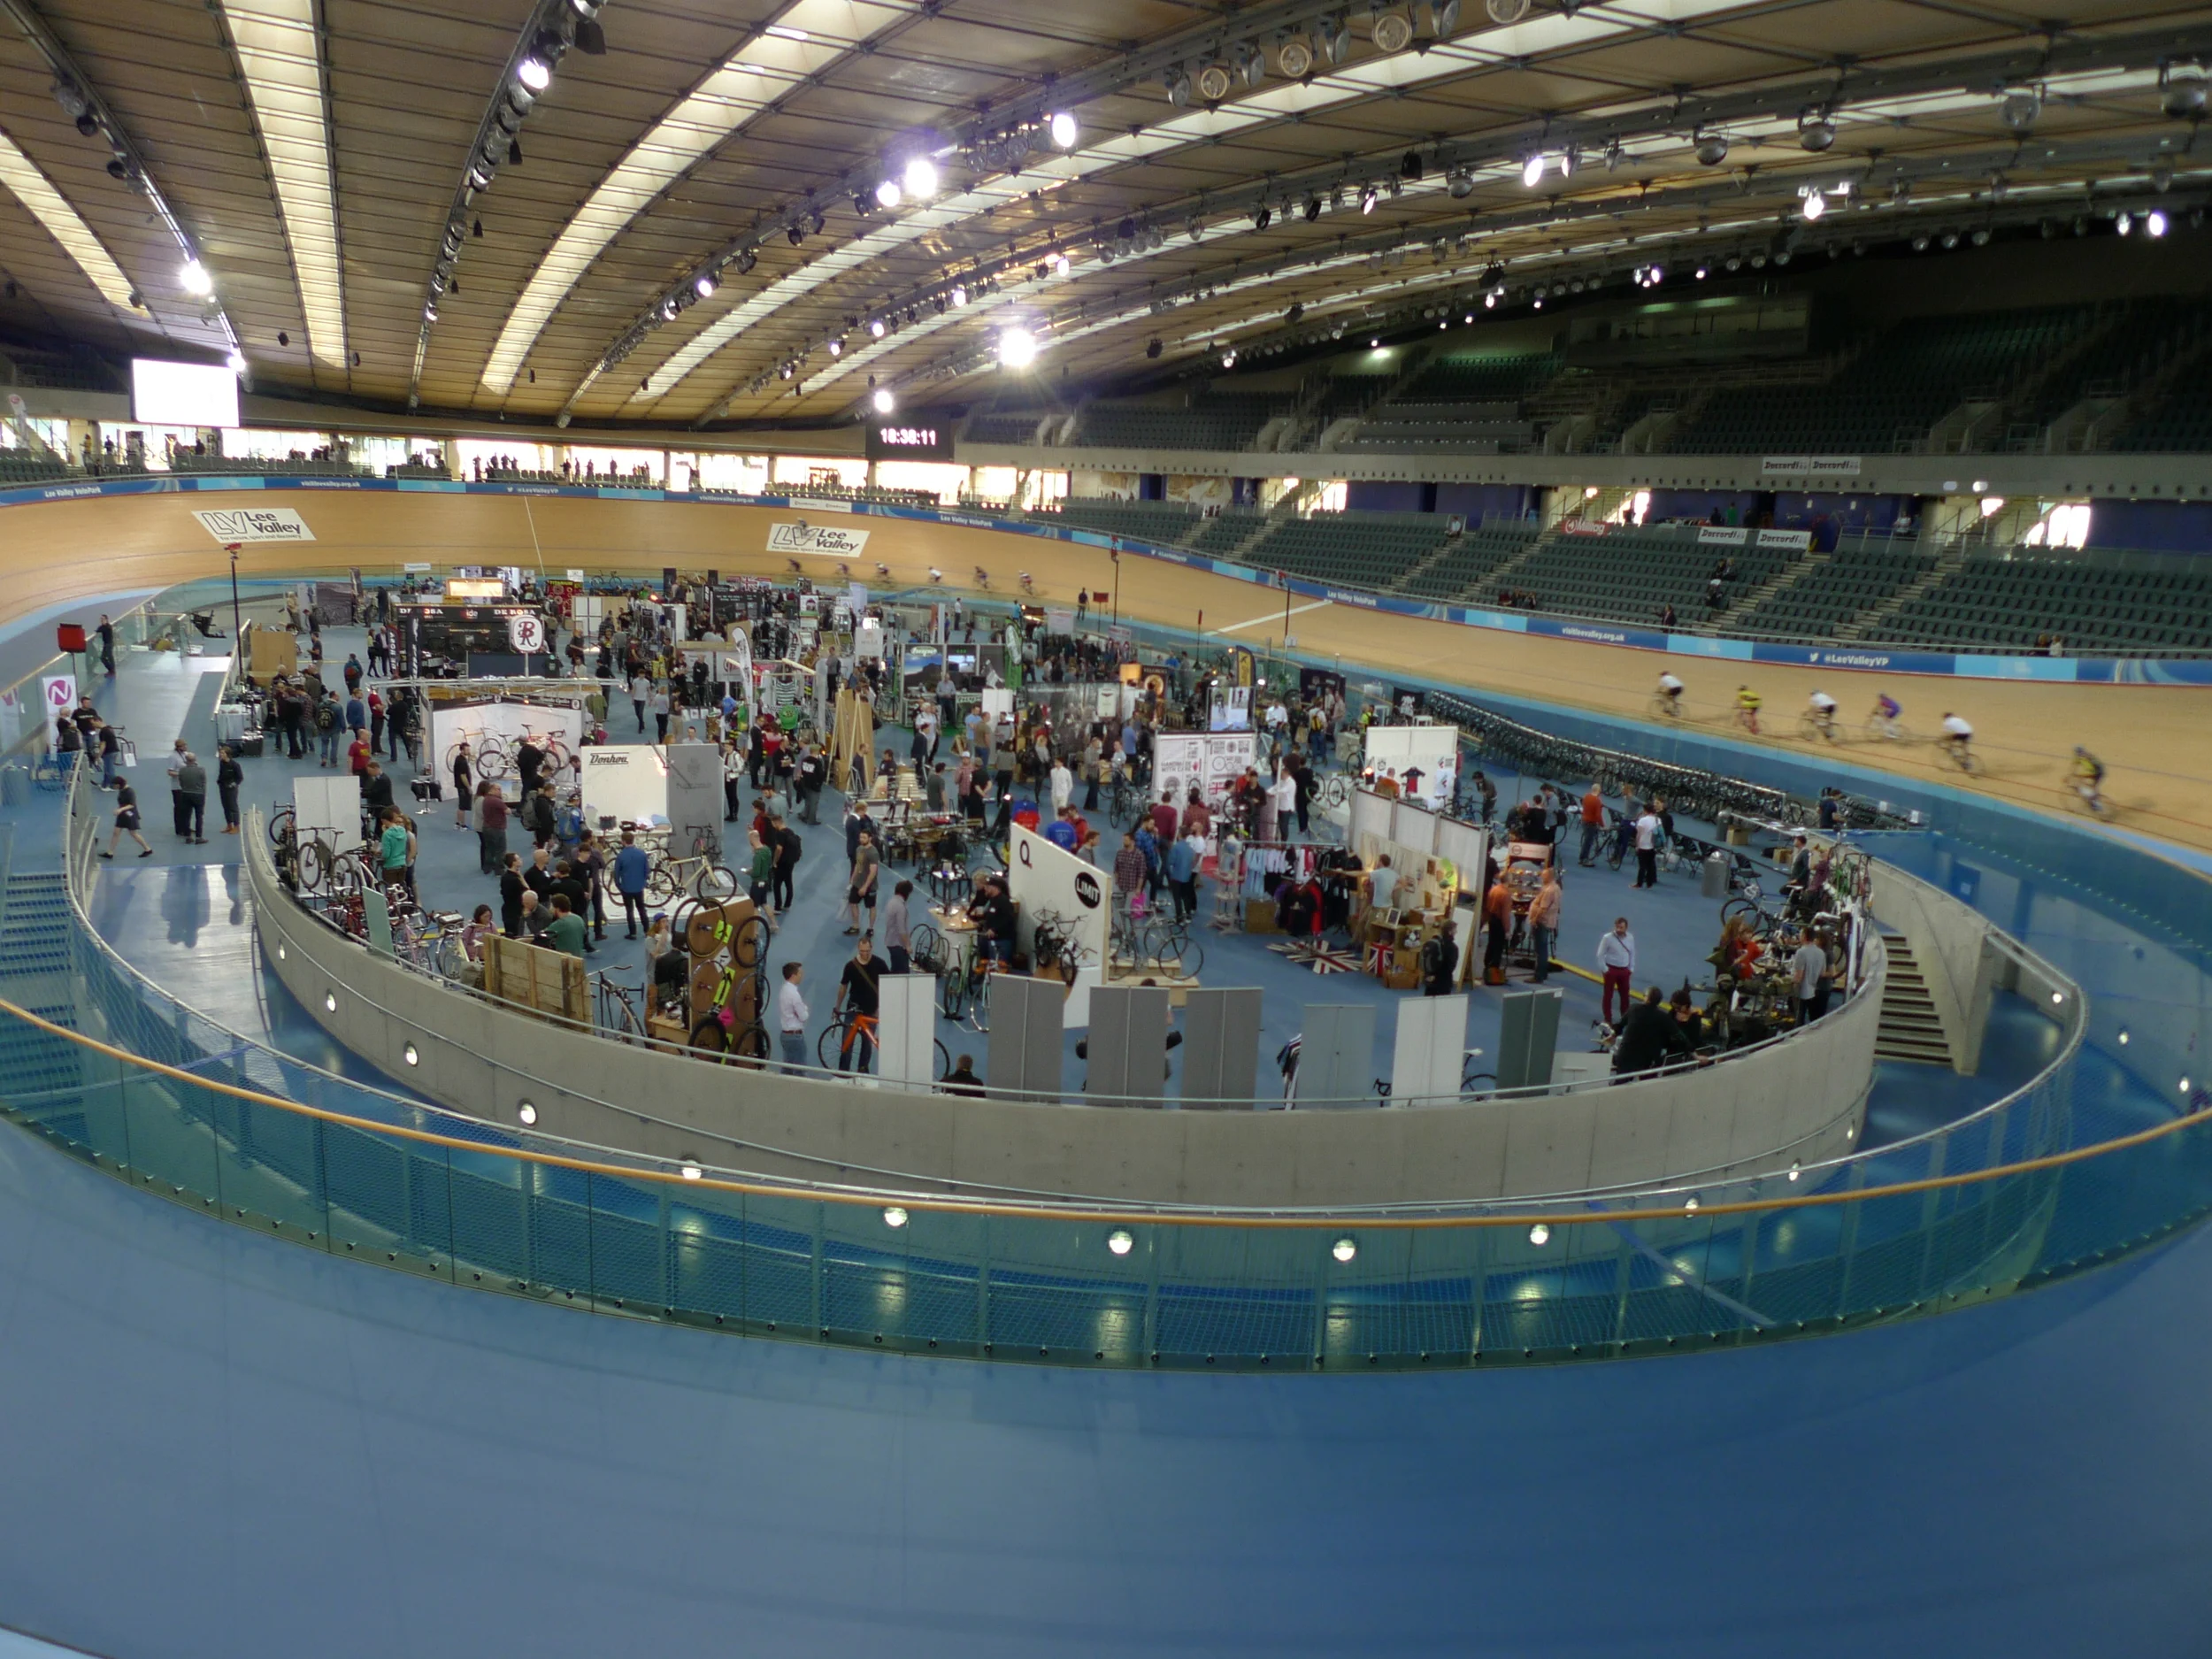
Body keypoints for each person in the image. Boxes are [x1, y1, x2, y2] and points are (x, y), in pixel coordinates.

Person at [1612, 986, 1698, 1077]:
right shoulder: (1663, 1017)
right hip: (1648, 1060)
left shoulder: (1633, 1009)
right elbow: (1680, 1036)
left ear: (1647, 999)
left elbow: (1619, 1026)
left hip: (1626, 1055)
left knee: (1621, 1082)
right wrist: (1695, 1054)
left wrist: (1612, 1035)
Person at [833, 935, 883, 1073]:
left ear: (871, 948)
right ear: (858, 949)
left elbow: (888, 985)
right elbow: (843, 986)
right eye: (862, 951)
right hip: (853, 1010)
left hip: (872, 1010)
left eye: (867, 951)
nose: (865, 954)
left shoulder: (880, 964)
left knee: (868, 1044)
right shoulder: (850, 966)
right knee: (847, 1042)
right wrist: (838, 1007)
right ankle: (843, 1071)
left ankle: (862, 1069)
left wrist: (881, 1007)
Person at [1596, 917, 1635, 1026]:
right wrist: (1605, 969)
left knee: (1625, 995)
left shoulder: (1630, 938)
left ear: (1626, 928)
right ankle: (1608, 1018)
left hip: (1624, 970)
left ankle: (1625, 1017)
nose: (1618, 929)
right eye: (1617, 927)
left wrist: (1631, 968)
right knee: (1608, 995)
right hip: (1611, 969)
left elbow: (1632, 953)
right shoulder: (1607, 938)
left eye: (1621, 927)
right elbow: (1600, 954)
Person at [611, 830, 650, 937]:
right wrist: (643, 881)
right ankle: (647, 930)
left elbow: (617, 873)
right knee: (642, 909)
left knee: (629, 911)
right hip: (639, 887)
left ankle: (632, 933)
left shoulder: (621, 856)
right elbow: (647, 870)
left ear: (623, 841)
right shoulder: (642, 854)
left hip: (626, 887)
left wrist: (619, 885)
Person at [100, 780, 153, 859]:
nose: (113, 787)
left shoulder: (130, 792)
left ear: (118, 784)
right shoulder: (121, 790)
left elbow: (132, 805)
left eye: (114, 785)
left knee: (133, 833)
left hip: (130, 815)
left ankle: (147, 849)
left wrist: (120, 810)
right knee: (116, 832)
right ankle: (110, 852)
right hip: (123, 814)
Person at [1527, 864, 1561, 983]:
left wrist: (1535, 919)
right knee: (1543, 949)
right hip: (1548, 922)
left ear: (1550, 876)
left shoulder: (1548, 890)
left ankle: (1538, 975)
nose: (1542, 878)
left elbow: (1543, 908)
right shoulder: (1556, 888)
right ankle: (1543, 973)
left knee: (1540, 950)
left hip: (1542, 922)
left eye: (1544, 876)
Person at [775, 962, 810, 1075]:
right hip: (795, 1037)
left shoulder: (784, 990)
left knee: (787, 1068)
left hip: (785, 1035)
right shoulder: (794, 994)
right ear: (793, 975)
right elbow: (804, 1016)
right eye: (800, 973)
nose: (802, 976)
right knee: (800, 1070)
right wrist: (805, 1008)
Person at [844, 827, 880, 936]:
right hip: (857, 883)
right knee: (853, 903)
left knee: (871, 907)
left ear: (870, 838)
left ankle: (870, 928)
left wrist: (865, 887)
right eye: (861, 837)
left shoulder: (873, 853)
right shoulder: (859, 849)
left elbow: (873, 871)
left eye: (864, 837)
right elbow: (858, 864)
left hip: (870, 886)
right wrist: (852, 879)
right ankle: (856, 926)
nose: (861, 839)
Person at [1793, 929, 1832, 1022]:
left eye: (1801, 934)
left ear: (1804, 936)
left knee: (1798, 1018)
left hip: (1801, 991)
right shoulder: (1821, 953)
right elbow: (1822, 973)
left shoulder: (1801, 952)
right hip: (1813, 990)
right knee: (1814, 1019)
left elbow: (1799, 976)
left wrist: (1791, 982)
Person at [1166, 824, 1201, 922]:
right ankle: (1188, 915)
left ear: (1179, 834)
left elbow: (1171, 861)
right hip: (1187, 876)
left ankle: (1179, 917)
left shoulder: (1176, 847)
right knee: (1186, 896)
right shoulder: (1190, 849)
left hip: (1176, 876)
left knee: (1177, 898)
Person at [174, 750, 207, 844]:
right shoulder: (201, 770)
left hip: (185, 794)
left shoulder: (182, 770)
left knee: (186, 816)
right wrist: (203, 794)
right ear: (195, 760)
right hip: (198, 794)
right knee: (199, 816)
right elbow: (204, 783)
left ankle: (188, 836)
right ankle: (199, 837)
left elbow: (181, 782)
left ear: (186, 760)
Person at [542, 894, 589, 959]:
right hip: (579, 958)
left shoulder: (560, 924)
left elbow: (542, 936)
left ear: (557, 909)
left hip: (565, 960)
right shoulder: (578, 918)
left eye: (551, 906)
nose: (550, 909)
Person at [1421, 919, 1458, 995]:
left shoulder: (1434, 942)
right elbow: (1451, 967)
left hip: (1430, 979)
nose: (1456, 931)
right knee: (1442, 1005)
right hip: (1443, 982)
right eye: (1455, 929)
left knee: (1428, 1004)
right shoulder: (1452, 947)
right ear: (1450, 931)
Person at [884, 879, 913, 973]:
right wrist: (907, 946)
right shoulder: (901, 907)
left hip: (890, 941)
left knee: (895, 968)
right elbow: (902, 930)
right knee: (903, 972)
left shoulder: (891, 902)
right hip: (898, 944)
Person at [1632, 802, 1662, 888]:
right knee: (1650, 865)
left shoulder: (1643, 820)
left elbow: (1639, 834)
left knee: (1642, 866)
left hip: (1643, 845)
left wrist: (1637, 845)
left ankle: (1639, 883)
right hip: (1652, 845)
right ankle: (1649, 883)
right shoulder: (1658, 820)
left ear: (1645, 811)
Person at [215, 745, 243, 835]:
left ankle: (236, 826)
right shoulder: (222, 763)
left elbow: (240, 778)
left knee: (233, 807)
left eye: (222, 753)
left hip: (231, 789)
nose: (221, 754)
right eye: (220, 753)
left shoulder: (235, 765)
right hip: (223, 787)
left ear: (227, 754)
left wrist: (233, 784)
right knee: (225, 806)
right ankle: (229, 825)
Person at [498, 851, 526, 937]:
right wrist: (521, 877)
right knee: (516, 937)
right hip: (514, 913)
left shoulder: (505, 876)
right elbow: (527, 890)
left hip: (509, 911)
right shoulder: (514, 880)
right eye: (518, 859)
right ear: (514, 863)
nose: (521, 860)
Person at [2072, 746, 2107, 812]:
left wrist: (2081, 776)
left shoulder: (2087, 758)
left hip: (2098, 773)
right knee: (2089, 786)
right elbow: (2075, 765)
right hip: (2097, 771)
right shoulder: (2081, 757)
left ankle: (2096, 805)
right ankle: (2093, 799)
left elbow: (2093, 772)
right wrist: (2073, 773)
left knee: (2091, 788)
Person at [450, 740, 473, 827]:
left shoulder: (459, 758)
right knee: (462, 806)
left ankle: (458, 822)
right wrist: (468, 787)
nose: (469, 751)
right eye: (467, 750)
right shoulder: (462, 762)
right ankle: (462, 824)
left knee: (461, 804)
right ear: (462, 750)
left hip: (459, 785)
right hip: (463, 786)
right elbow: (463, 776)